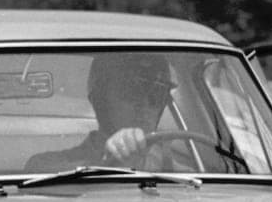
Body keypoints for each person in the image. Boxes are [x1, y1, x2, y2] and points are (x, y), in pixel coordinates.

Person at [26, 52, 177, 172]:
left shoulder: (175, 168)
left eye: (156, 94)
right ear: (102, 100)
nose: (144, 104)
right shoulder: (51, 164)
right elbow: (37, 168)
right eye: (131, 90)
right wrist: (108, 165)